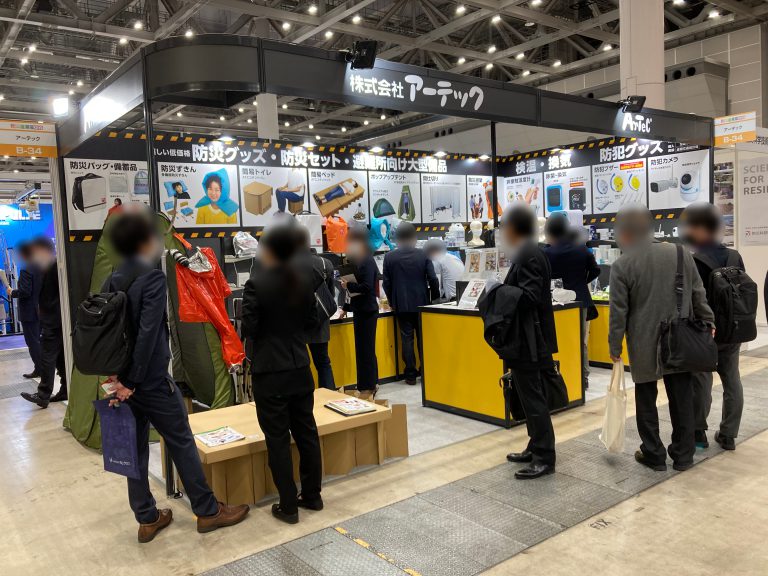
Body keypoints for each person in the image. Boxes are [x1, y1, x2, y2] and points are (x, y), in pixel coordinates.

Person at [100, 213, 249, 543]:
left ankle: (147, 518)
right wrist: (133, 381)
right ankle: (207, 511)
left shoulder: (114, 277)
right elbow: (148, 334)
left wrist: (119, 380)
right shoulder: (151, 278)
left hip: (122, 380)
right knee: (181, 440)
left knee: (135, 449)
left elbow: (109, 331)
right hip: (149, 381)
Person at [609, 206, 714, 472]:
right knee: (682, 397)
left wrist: (614, 345)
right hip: (680, 339)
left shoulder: (622, 264)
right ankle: (683, 455)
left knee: (646, 398)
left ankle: (653, 453)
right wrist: (708, 321)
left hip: (643, 342)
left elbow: (618, 312)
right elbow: (698, 292)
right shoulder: (680, 253)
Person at [242, 224, 323, 524]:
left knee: (277, 439)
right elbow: (312, 320)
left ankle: (288, 505)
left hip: (270, 371)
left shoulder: (256, 284)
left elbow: (249, 327)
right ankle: (312, 496)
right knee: (307, 432)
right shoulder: (303, 281)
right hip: (300, 366)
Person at [483, 205, 558, 480]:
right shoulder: (528, 251)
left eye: (504, 227)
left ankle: (544, 457)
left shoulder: (529, 254)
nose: (502, 232)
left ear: (515, 228)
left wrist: (498, 290)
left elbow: (530, 296)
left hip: (529, 339)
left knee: (533, 398)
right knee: (527, 397)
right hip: (528, 337)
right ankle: (535, 446)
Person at [683, 203, 747, 451]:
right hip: (733, 328)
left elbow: (692, 299)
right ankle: (728, 434)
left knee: (702, 381)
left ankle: (699, 434)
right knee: (732, 380)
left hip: (705, 330)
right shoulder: (734, 256)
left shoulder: (694, 260)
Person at [542, 213, 601, 387]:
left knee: (559, 339)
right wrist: (582, 282)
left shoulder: (546, 253)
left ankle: (561, 375)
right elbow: (596, 270)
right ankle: (583, 376)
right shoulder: (581, 249)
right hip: (580, 300)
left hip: (554, 301)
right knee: (580, 340)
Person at [382, 222, 439, 385]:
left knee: (407, 339)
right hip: (422, 303)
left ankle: (410, 375)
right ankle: (425, 372)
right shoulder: (423, 255)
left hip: (401, 304)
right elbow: (433, 279)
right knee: (423, 338)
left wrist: (392, 301)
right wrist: (434, 299)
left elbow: (386, 283)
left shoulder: (389, 257)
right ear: (414, 238)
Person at [20, 237, 67, 407]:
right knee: (60, 356)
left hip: (52, 318)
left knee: (47, 355)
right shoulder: (56, 265)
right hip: (59, 317)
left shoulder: (48, 267)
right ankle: (65, 389)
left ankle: (43, 394)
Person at [340, 227, 380, 398]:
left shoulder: (367, 261)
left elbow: (367, 286)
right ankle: (371, 382)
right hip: (360, 309)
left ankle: (367, 387)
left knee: (365, 350)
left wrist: (348, 285)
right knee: (365, 349)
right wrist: (345, 307)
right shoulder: (359, 261)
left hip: (367, 311)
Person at [295, 225, 336, 391]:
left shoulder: (289, 265)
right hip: (321, 321)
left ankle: (304, 398)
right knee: (323, 363)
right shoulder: (326, 263)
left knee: (300, 365)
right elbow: (330, 296)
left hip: (298, 322)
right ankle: (329, 396)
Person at [9, 241, 42, 379]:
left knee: (32, 342)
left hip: (29, 313)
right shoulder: (41, 268)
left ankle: (40, 369)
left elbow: (25, 291)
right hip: (40, 310)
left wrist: (12, 292)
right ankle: (42, 368)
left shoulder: (26, 269)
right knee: (39, 340)